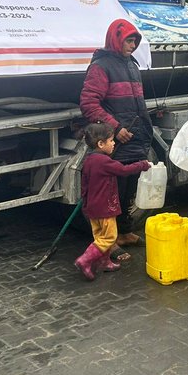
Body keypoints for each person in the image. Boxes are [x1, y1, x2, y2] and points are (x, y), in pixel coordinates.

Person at [79, 19, 153, 260]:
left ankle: (124, 232)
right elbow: (89, 103)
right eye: (129, 41)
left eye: (135, 41)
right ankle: (107, 241)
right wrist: (115, 127)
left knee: (128, 190)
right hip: (116, 143)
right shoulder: (101, 66)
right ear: (116, 39)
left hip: (135, 139)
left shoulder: (131, 64)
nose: (132, 46)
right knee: (111, 194)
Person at [73, 123, 152, 280]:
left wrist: (86, 205)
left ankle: (105, 262)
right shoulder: (105, 162)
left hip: (92, 209)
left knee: (99, 236)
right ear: (101, 144)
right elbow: (124, 170)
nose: (114, 143)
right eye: (111, 140)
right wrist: (142, 164)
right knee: (109, 237)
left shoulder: (89, 161)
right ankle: (85, 260)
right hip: (105, 208)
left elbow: (84, 186)